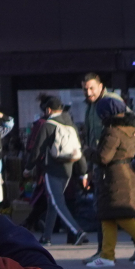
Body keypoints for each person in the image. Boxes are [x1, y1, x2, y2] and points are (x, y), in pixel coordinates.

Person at [88, 109, 135, 269]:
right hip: (126, 175)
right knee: (108, 216)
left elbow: (103, 157)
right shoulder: (130, 131)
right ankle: (107, 255)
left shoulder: (112, 132)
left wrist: (88, 152)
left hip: (115, 178)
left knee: (123, 216)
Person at [26, 94, 87, 246]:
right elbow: (79, 149)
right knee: (53, 203)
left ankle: (77, 231)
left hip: (52, 169)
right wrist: (83, 172)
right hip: (68, 169)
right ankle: (46, 237)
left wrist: (28, 168)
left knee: (58, 203)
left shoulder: (48, 125)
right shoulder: (70, 124)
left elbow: (37, 150)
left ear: (48, 110)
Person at [77, 72, 126, 168]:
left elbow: (133, 121)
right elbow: (90, 138)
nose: (88, 93)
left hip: (112, 161)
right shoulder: (90, 106)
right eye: (85, 89)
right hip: (97, 161)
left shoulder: (111, 101)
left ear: (100, 86)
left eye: (91, 88)